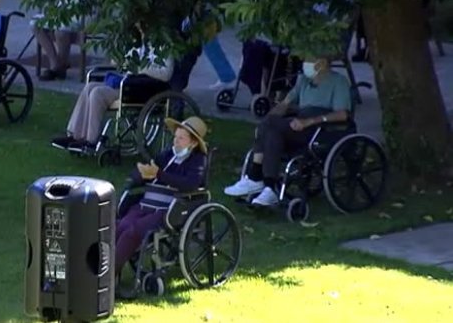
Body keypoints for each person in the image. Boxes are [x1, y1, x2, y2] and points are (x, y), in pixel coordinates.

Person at [224, 52, 352, 206]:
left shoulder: (339, 82)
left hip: (320, 129)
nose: (305, 62)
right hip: (299, 124)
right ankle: (269, 188)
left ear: (323, 63)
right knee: (271, 131)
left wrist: (310, 121)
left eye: (310, 59)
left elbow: (342, 114)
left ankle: (255, 176)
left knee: (271, 126)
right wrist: (269, 119)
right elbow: (285, 103)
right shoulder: (304, 80)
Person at [115, 116, 208, 296]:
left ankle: (108, 276)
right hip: (146, 203)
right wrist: (140, 175)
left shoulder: (198, 160)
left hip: (169, 209)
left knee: (133, 231)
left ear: (193, 143)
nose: (176, 141)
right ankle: (108, 273)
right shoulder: (167, 154)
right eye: (176, 137)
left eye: (181, 138)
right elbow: (148, 170)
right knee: (121, 225)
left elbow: (190, 185)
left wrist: (159, 174)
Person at [51, 44, 174, 152]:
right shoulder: (139, 44)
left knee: (97, 93)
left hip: (143, 89)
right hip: (128, 84)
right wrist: (121, 61)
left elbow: (166, 74)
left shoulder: (164, 47)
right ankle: (74, 135)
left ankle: (91, 140)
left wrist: (139, 68)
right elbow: (123, 63)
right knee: (89, 87)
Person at [32, 0, 90, 81]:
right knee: (36, 24)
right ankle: (55, 64)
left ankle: (57, 68)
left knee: (61, 31)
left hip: (82, 16)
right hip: (63, 13)